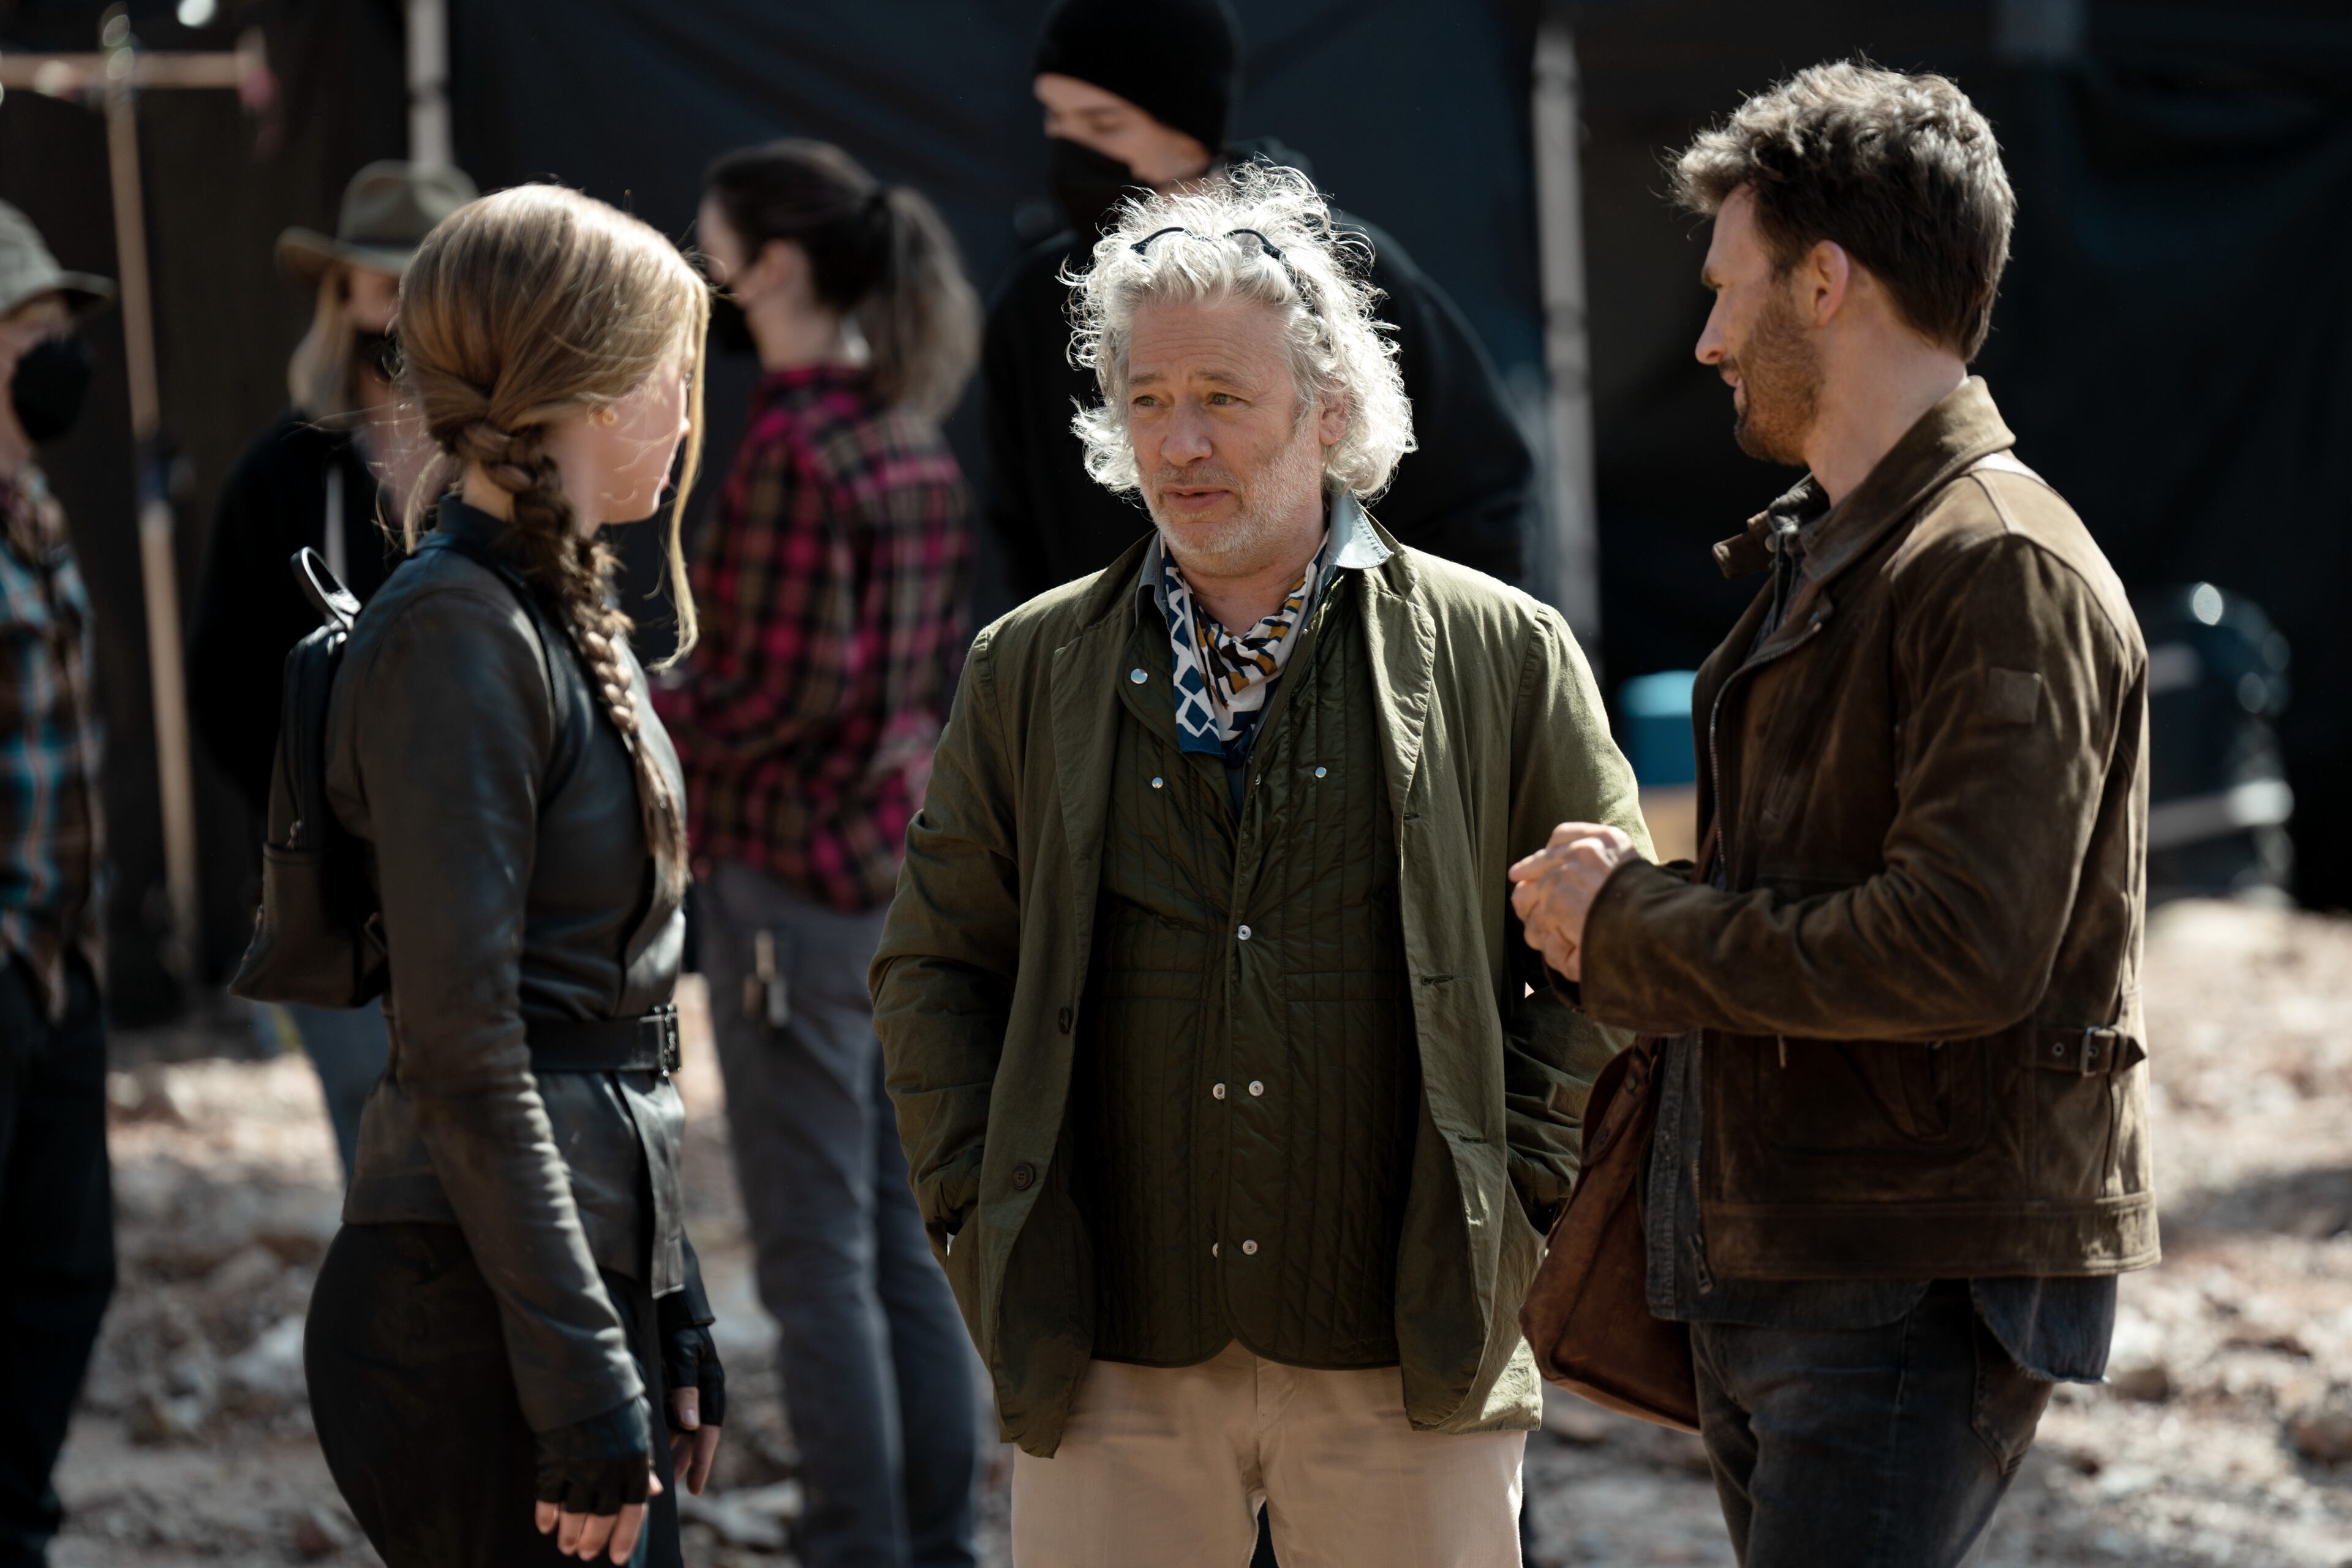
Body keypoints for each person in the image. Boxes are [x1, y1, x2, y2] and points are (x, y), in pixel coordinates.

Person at [871, 161, 1647, 1568]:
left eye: (1220, 397)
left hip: (1407, 1356)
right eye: (1147, 399)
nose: (1178, 442)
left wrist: (1516, 1202)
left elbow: (1611, 963)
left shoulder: (1503, 651)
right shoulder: (1027, 665)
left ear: (1328, 409)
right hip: (1107, 1359)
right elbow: (933, 964)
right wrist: (982, 1213)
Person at [1508, 62, 2152, 1568]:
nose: (1708, 337)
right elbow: (1827, 895)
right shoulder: (1847, 550)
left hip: (1900, 1274)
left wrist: (1635, 927)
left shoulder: (1996, 566)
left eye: (1732, 290)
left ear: (1825, 278)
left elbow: (1955, 946)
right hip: (1799, 1255)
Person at [300, 184, 726, 1568]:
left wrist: (672, 1302)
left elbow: (612, 1020)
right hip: (465, 1313)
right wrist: (580, 1377)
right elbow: (469, 1049)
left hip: (558, 1278)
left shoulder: (536, 607)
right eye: (668, 374)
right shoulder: (456, 633)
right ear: (587, 388)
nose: (681, 411)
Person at [652, 139, 982, 1568]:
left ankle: (863, 1542)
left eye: (713, 248)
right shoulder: (903, 432)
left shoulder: (796, 444)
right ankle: (930, 1537)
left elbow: (779, 692)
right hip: (885, 883)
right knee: (897, 1246)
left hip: (794, 892)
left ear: (770, 267)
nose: (703, 274)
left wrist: (620, 693)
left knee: (816, 1258)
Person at [983, 0, 1534, 603]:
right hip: (1116, 685)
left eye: (1104, 125)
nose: (1069, 151)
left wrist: (1419, 663)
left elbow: (1474, 497)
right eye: (1056, 121)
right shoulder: (1040, 299)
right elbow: (1017, 538)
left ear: (1188, 124)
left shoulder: (1338, 273)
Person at [188, 159, 477, 1182]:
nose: (397, 308)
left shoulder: (499, 467)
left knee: (489, 1126)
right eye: (379, 281)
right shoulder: (279, 474)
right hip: (339, 878)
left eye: (424, 281)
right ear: (341, 293)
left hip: (482, 866)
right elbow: (220, 680)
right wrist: (301, 821)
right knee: (374, 1134)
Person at [0, 200, 116, 1568]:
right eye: (30, 331)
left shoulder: (34, 505)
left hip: (62, 960)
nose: (53, 354)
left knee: (66, 1272)